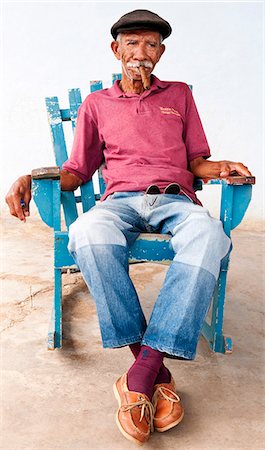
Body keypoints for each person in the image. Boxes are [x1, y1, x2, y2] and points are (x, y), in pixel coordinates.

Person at [6, 9, 252, 446]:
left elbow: (197, 162)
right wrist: (32, 174)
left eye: (152, 45)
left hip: (176, 198)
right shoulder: (96, 104)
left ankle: (138, 377)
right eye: (133, 44)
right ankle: (152, 367)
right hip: (118, 200)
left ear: (161, 52)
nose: (142, 53)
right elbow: (77, 170)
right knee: (86, 233)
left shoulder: (178, 96)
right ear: (116, 49)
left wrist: (221, 166)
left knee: (211, 235)